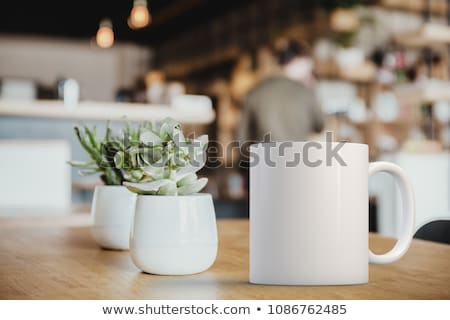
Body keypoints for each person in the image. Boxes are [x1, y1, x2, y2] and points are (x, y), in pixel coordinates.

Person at [238, 39, 324, 144]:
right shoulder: (305, 92)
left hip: (263, 158)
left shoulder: (256, 92)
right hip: (298, 158)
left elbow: (241, 138)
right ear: (297, 61)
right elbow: (320, 125)